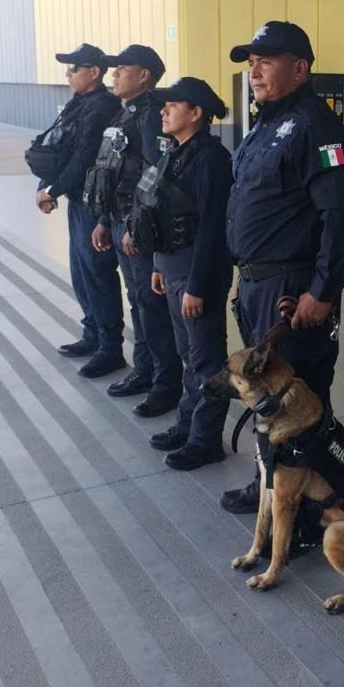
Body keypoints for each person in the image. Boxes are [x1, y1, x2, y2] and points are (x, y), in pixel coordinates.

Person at [218, 21, 344, 514]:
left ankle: (301, 512)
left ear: (300, 68)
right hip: (259, 285)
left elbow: (340, 215)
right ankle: (271, 488)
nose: (254, 71)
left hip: (293, 291)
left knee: (297, 401)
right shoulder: (264, 126)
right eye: (251, 62)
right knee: (269, 394)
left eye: (266, 61)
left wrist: (322, 291)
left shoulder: (318, 127)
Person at [127, 77, 233, 470]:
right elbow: (161, 212)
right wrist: (158, 264)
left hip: (195, 276)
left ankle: (206, 440)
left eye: (173, 105)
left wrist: (197, 286)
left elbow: (212, 229)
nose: (164, 111)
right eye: (164, 105)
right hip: (173, 270)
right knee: (188, 356)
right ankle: (188, 425)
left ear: (196, 113)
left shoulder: (210, 159)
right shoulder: (175, 152)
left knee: (206, 361)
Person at [85, 44, 184, 415]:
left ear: (144, 75)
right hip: (118, 220)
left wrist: (134, 225)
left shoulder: (151, 115)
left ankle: (166, 383)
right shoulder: (123, 112)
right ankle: (144, 370)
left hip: (137, 226)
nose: (114, 75)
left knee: (152, 307)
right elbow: (112, 168)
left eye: (122, 69)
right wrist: (103, 220)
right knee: (139, 302)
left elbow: (154, 173)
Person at [30, 43, 125, 377]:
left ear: (94, 72)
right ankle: (93, 334)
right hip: (78, 201)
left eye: (74, 68)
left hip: (96, 204)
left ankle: (110, 348)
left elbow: (84, 156)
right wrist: (46, 184)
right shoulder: (78, 103)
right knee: (81, 272)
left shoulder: (103, 107)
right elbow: (57, 146)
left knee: (97, 273)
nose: (68, 74)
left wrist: (52, 190)